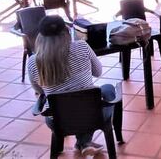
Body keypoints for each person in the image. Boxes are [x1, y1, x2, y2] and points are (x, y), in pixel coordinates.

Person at [26, 15, 114, 156]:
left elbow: (38, 90)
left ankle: (83, 143)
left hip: (58, 118)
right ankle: (84, 143)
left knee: (70, 104)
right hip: (91, 114)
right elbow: (98, 72)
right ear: (66, 32)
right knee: (107, 90)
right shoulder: (82, 46)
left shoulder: (33, 62)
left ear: (40, 37)